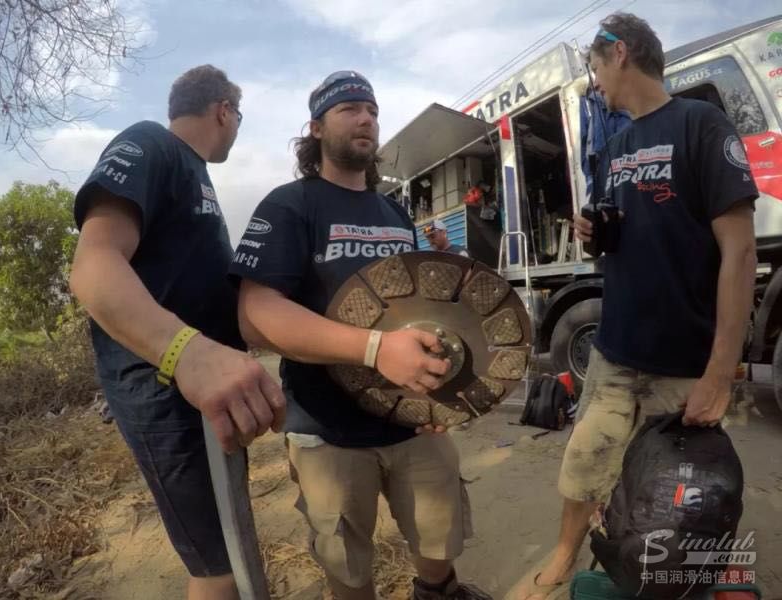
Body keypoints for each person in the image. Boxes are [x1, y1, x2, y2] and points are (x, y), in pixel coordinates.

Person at [512, 13, 757, 600]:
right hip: (615, 352)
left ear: (619, 53)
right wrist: (591, 234)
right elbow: (617, 235)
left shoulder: (701, 123)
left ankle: (678, 574)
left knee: (678, 491)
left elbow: (740, 249)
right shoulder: (615, 145)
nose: (594, 82)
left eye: (594, 67)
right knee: (584, 463)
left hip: (683, 362)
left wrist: (719, 372)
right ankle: (566, 554)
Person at [230, 70, 492, 600]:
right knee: (347, 563)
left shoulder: (393, 210)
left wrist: (438, 395)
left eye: (371, 109)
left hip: (411, 421)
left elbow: (419, 309)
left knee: (440, 537)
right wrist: (375, 350)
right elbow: (255, 313)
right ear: (316, 128)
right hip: (327, 428)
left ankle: (437, 592)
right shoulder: (290, 205)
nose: (366, 118)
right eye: (349, 109)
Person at [69, 65, 285, 600]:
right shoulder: (151, 144)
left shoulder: (194, 174)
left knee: (231, 541)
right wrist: (188, 353)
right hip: (164, 391)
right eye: (239, 118)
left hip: (208, 394)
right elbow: (93, 265)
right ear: (224, 111)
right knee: (217, 566)